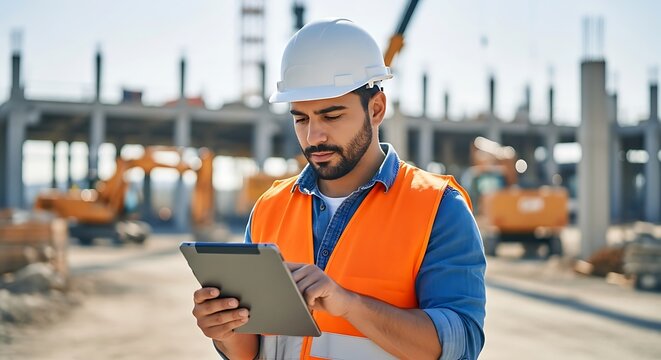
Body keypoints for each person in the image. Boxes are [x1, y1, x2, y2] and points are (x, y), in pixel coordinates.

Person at [192, 18, 486, 360]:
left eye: (331, 116)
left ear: (376, 108)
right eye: (301, 118)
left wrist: (349, 304)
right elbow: (253, 348)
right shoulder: (269, 207)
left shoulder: (437, 207)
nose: (313, 137)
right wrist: (224, 330)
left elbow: (460, 346)